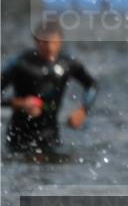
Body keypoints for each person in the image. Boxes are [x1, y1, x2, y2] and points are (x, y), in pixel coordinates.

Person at [2, 22, 97, 158]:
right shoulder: (21, 63)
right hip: (18, 135)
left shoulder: (68, 64)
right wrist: (20, 103)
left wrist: (83, 110)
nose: (49, 48)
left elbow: (92, 85)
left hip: (50, 134)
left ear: (60, 42)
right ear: (36, 41)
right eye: (44, 43)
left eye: (53, 43)